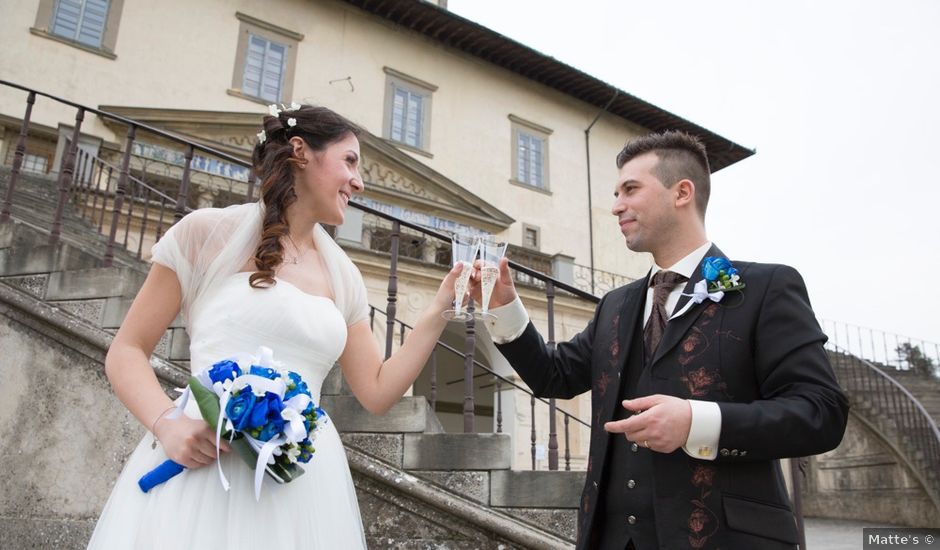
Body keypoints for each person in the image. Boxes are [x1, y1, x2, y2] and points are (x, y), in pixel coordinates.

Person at [86, 104, 464, 549]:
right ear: (301, 152)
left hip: (300, 489)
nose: (359, 182)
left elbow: (378, 391)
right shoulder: (206, 233)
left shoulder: (344, 276)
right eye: (350, 161)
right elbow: (127, 349)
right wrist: (168, 423)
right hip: (206, 467)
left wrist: (442, 305)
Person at [473, 131, 849, 550]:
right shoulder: (615, 305)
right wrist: (504, 305)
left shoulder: (764, 288)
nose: (616, 206)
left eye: (630, 189)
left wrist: (697, 422)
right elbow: (553, 375)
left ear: (682, 192)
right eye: (616, 193)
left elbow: (821, 412)